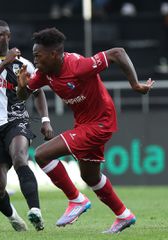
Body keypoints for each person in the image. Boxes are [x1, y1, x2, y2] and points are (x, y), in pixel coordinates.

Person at [17, 27, 154, 233]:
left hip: (100, 123)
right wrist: (21, 86)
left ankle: (76, 200)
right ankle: (123, 215)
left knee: (42, 154)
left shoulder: (78, 66)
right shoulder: (45, 73)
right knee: (90, 177)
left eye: (38, 56)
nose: (35, 60)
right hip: (85, 123)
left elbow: (118, 53)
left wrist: (134, 84)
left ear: (54, 54)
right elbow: (24, 94)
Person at [0, 20, 54, 232]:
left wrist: (45, 120)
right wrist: (4, 63)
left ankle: (35, 210)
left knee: (20, 158)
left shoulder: (24, 64)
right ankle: (14, 218)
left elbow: (38, 93)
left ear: (8, 37)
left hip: (15, 121)